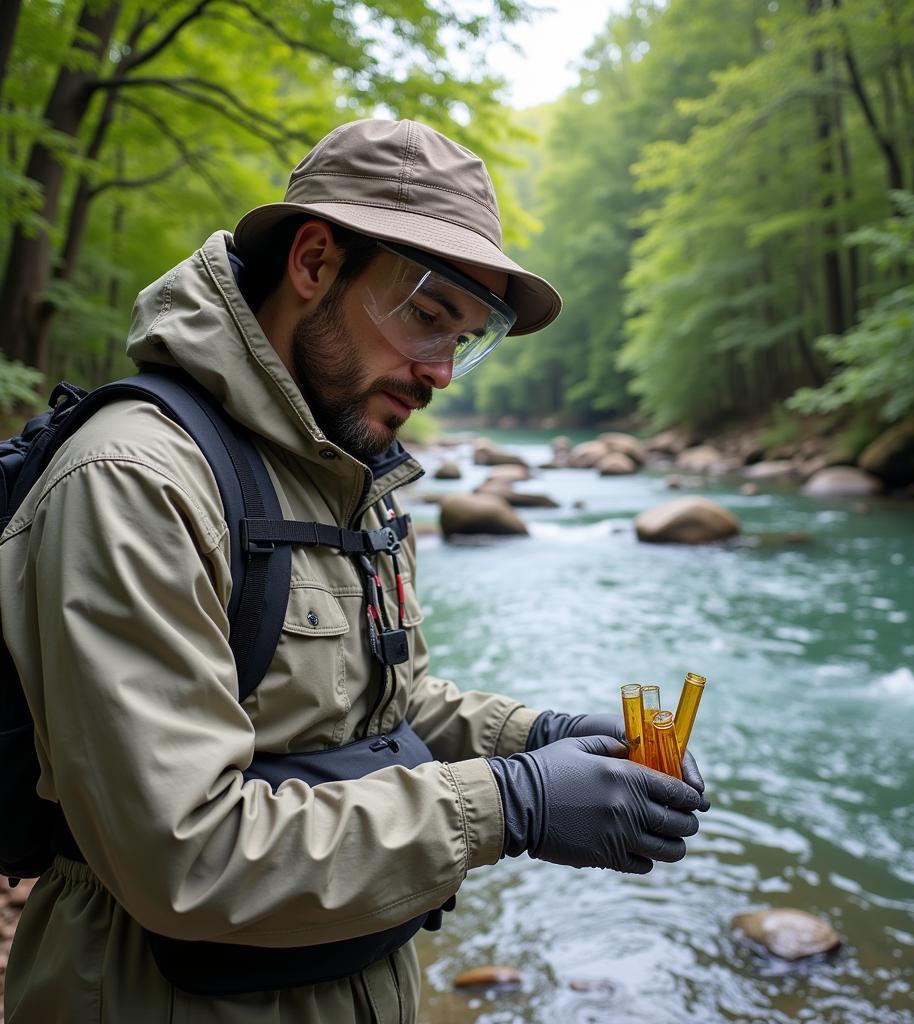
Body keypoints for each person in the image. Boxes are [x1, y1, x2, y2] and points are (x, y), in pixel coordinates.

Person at [0, 118, 708, 1024]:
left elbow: (385, 706)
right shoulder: (137, 482)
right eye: (425, 315)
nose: (443, 373)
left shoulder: (355, 479)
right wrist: (514, 804)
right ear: (314, 262)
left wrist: (540, 735)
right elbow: (185, 857)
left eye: (467, 338)